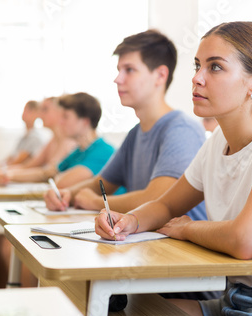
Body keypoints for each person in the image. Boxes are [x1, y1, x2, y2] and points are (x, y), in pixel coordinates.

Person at [95, 21, 252, 316]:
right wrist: (129, 221)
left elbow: (246, 241)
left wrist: (188, 228)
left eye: (215, 67)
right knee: (117, 314)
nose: (197, 78)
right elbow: (166, 206)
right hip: (233, 298)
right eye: (197, 65)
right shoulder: (217, 142)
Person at [44, 30, 206, 220]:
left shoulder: (181, 129)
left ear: (160, 75)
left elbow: (156, 199)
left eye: (129, 70)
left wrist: (96, 202)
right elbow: (100, 184)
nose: (118, 79)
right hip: (147, 242)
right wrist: (66, 194)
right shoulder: (135, 134)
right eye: (119, 70)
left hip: (178, 247)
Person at [0, 97, 76, 184]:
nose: (40, 115)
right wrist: (0, 173)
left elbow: (47, 173)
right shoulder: (52, 140)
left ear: (59, 112)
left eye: (45, 109)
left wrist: (5, 174)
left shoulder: (68, 141)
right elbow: (28, 166)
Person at [0, 100, 49, 175]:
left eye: (28, 110)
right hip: (11, 171)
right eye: (24, 110)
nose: (23, 113)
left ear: (36, 114)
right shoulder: (23, 137)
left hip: (19, 173)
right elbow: (8, 159)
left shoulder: (35, 137)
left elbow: (17, 162)